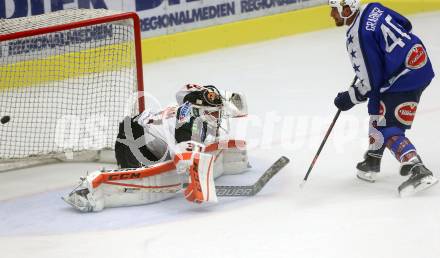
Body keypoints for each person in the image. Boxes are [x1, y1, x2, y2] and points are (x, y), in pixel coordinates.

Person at [63, 84, 250, 212]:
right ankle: (87, 190)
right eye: (215, 112)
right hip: (133, 144)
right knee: (144, 171)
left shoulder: (190, 113)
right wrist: (194, 180)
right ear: (200, 109)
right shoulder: (187, 115)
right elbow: (185, 146)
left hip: (140, 139)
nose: (218, 116)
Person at [328, 0, 438, 196]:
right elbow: (406, 24)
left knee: (389, 128)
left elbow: (370, 84)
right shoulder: (373, 8)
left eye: (334, 10)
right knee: (377, 107)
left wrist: (348, 98)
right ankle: (373, 158)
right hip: (419, 61)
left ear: (347, 9)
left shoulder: (357, 36)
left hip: (405, 79)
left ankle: (417, 168)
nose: (331, 15)